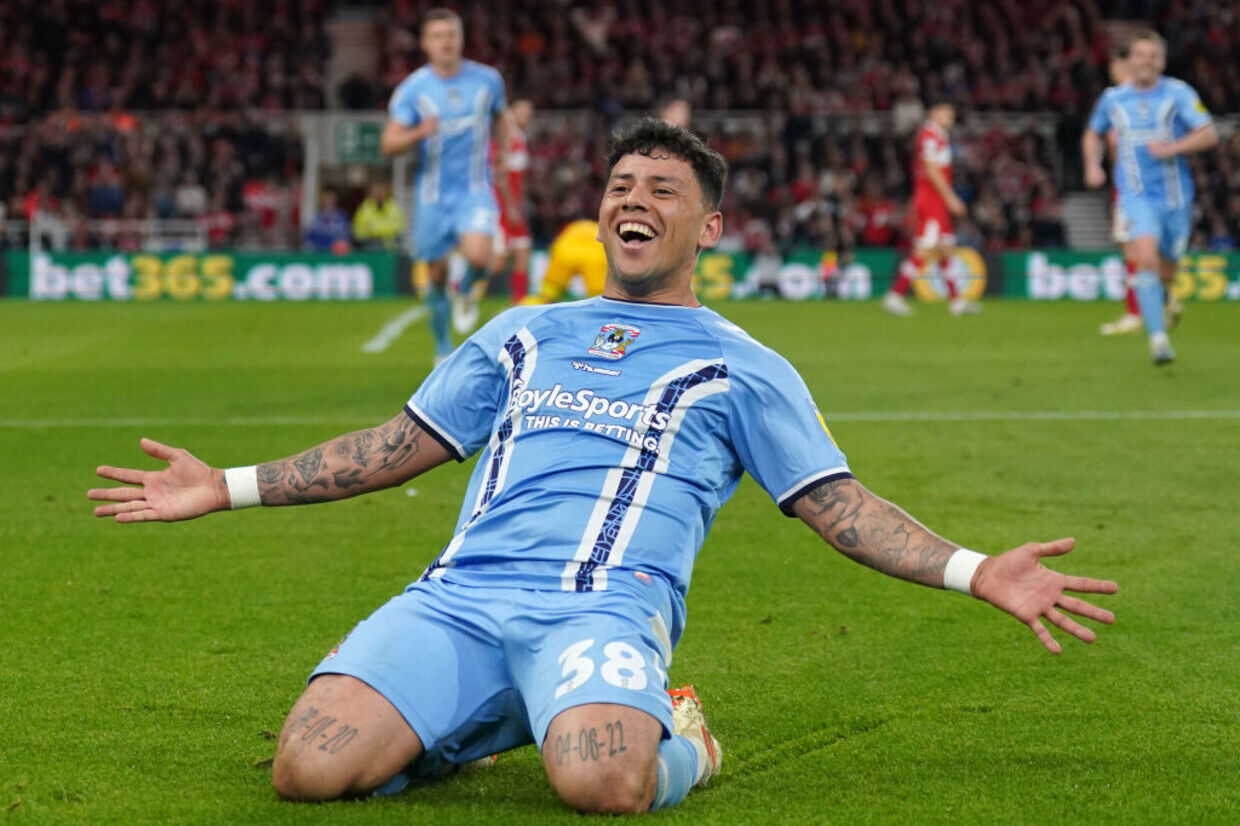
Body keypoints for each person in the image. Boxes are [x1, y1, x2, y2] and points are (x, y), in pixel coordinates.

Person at [89, 120, 1118, 815]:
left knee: (605, 784)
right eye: (620, 185)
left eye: (662, 190)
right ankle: (490, 714)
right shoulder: (525, 332)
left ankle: (685, 738)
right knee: (306, 769)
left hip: (599, 615)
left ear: (706, 228)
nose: (633, 199)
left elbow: (836, 504)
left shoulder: (742, 367)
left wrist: (973, 567)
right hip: (458, 601)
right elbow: (394, 449)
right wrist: (221, 485)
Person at [381, 7, 510, 362]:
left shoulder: (487, 80)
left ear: (461, 39)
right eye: (437, 36)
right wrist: (418, 132)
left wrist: (504, 153)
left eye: (451, 35)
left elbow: (501, 117)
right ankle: (441, 346)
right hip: (432, 197)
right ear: (425, 43)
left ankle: (467, 287)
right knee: (435, 275)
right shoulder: (413, 90)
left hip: (474, 188)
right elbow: (388, 143)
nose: (445, 43)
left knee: (480, 256)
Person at [1082, 29, 1217, 364]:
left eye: (1152, 56)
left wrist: (1173, 147)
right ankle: (1158, 341)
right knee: (1143, 258)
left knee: (1167, 268)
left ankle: (1166, 296)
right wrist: (1092, 165)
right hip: (1135, 195)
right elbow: (1092, 132)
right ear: (1130, 60)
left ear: (1162, 60)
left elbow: (1209, 133)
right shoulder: (1113, 98)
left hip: (1175, 197)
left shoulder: (1178, 93)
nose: (1146, 62)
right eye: (1140, 55)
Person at [882, 100, 980, 317]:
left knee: (946, 248)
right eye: (947, 115)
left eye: (952, 117)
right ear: (934, 114)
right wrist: (951, 197)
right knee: (924, 249)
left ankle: (957, 302)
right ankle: (895, 296)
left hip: (938, 202)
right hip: (931, 202)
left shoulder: (939, 137)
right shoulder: (929, 136)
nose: (950, 120)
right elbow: (931, 170)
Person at [491, 99, 534, 302]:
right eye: (524, 112)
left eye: (530, 113)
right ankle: (459, 288)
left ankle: (519, 303)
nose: (528, 117)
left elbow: (519, 179)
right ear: (513, 113)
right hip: (502, 208)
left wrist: (519, 204)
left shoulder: (520, 138)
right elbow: (500, 177)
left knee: (523, 252)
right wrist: (509, 207)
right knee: (497, 262)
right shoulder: (508, 138)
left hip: (514, 207)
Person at [522, 218, 608, 304]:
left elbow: (555, 244)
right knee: (599, 296)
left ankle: (524, 307)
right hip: (594, 254)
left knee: (547, 293)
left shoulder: (572, 229)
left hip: (564, 251)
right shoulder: (601, 230)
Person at [351, 179, 406, 251]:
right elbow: (358, 232)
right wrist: (379, 235)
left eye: (381, 191)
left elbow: (399, 228)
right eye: (376, 191)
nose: (379, 194)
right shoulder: (363, 210)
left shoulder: (394, 208)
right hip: (370, 247)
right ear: (370, 193)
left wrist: (378, 233)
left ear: (386, 192)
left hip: (391, 247)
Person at [303, 189, 351, 254]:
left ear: (335, 200)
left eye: (330, 198)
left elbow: (345, 234)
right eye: (325, 199)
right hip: (318, 249)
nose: (328, 201)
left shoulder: (341, 216)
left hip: (335, 250)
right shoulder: (318, 216)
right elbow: (309, 234)